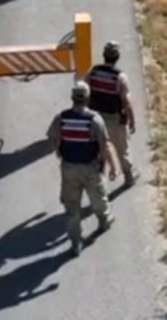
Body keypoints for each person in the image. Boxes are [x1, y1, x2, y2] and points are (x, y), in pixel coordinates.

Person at [47, 81, 118, 255]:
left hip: (69, 168)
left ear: (72, 98)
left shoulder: (61, 117)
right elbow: (105, 145)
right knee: (98, 197)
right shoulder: (94, 119)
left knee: (72, 208)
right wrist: (113, 167)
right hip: (90, 168)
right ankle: (104, 220)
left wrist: (58, 149)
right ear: (88, 98)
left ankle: (75, 243)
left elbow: (52, 137)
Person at [87, 41, 136, 187]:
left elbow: (86, 95)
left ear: (104, 56)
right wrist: (132, 120)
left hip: (97, 119)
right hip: (115, 120)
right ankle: (128, 178)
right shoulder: (120, 77)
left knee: (100, 151)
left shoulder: (93, 72)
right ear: (118, 57)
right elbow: (126, 102)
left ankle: (99, 183)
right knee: (122, 150)